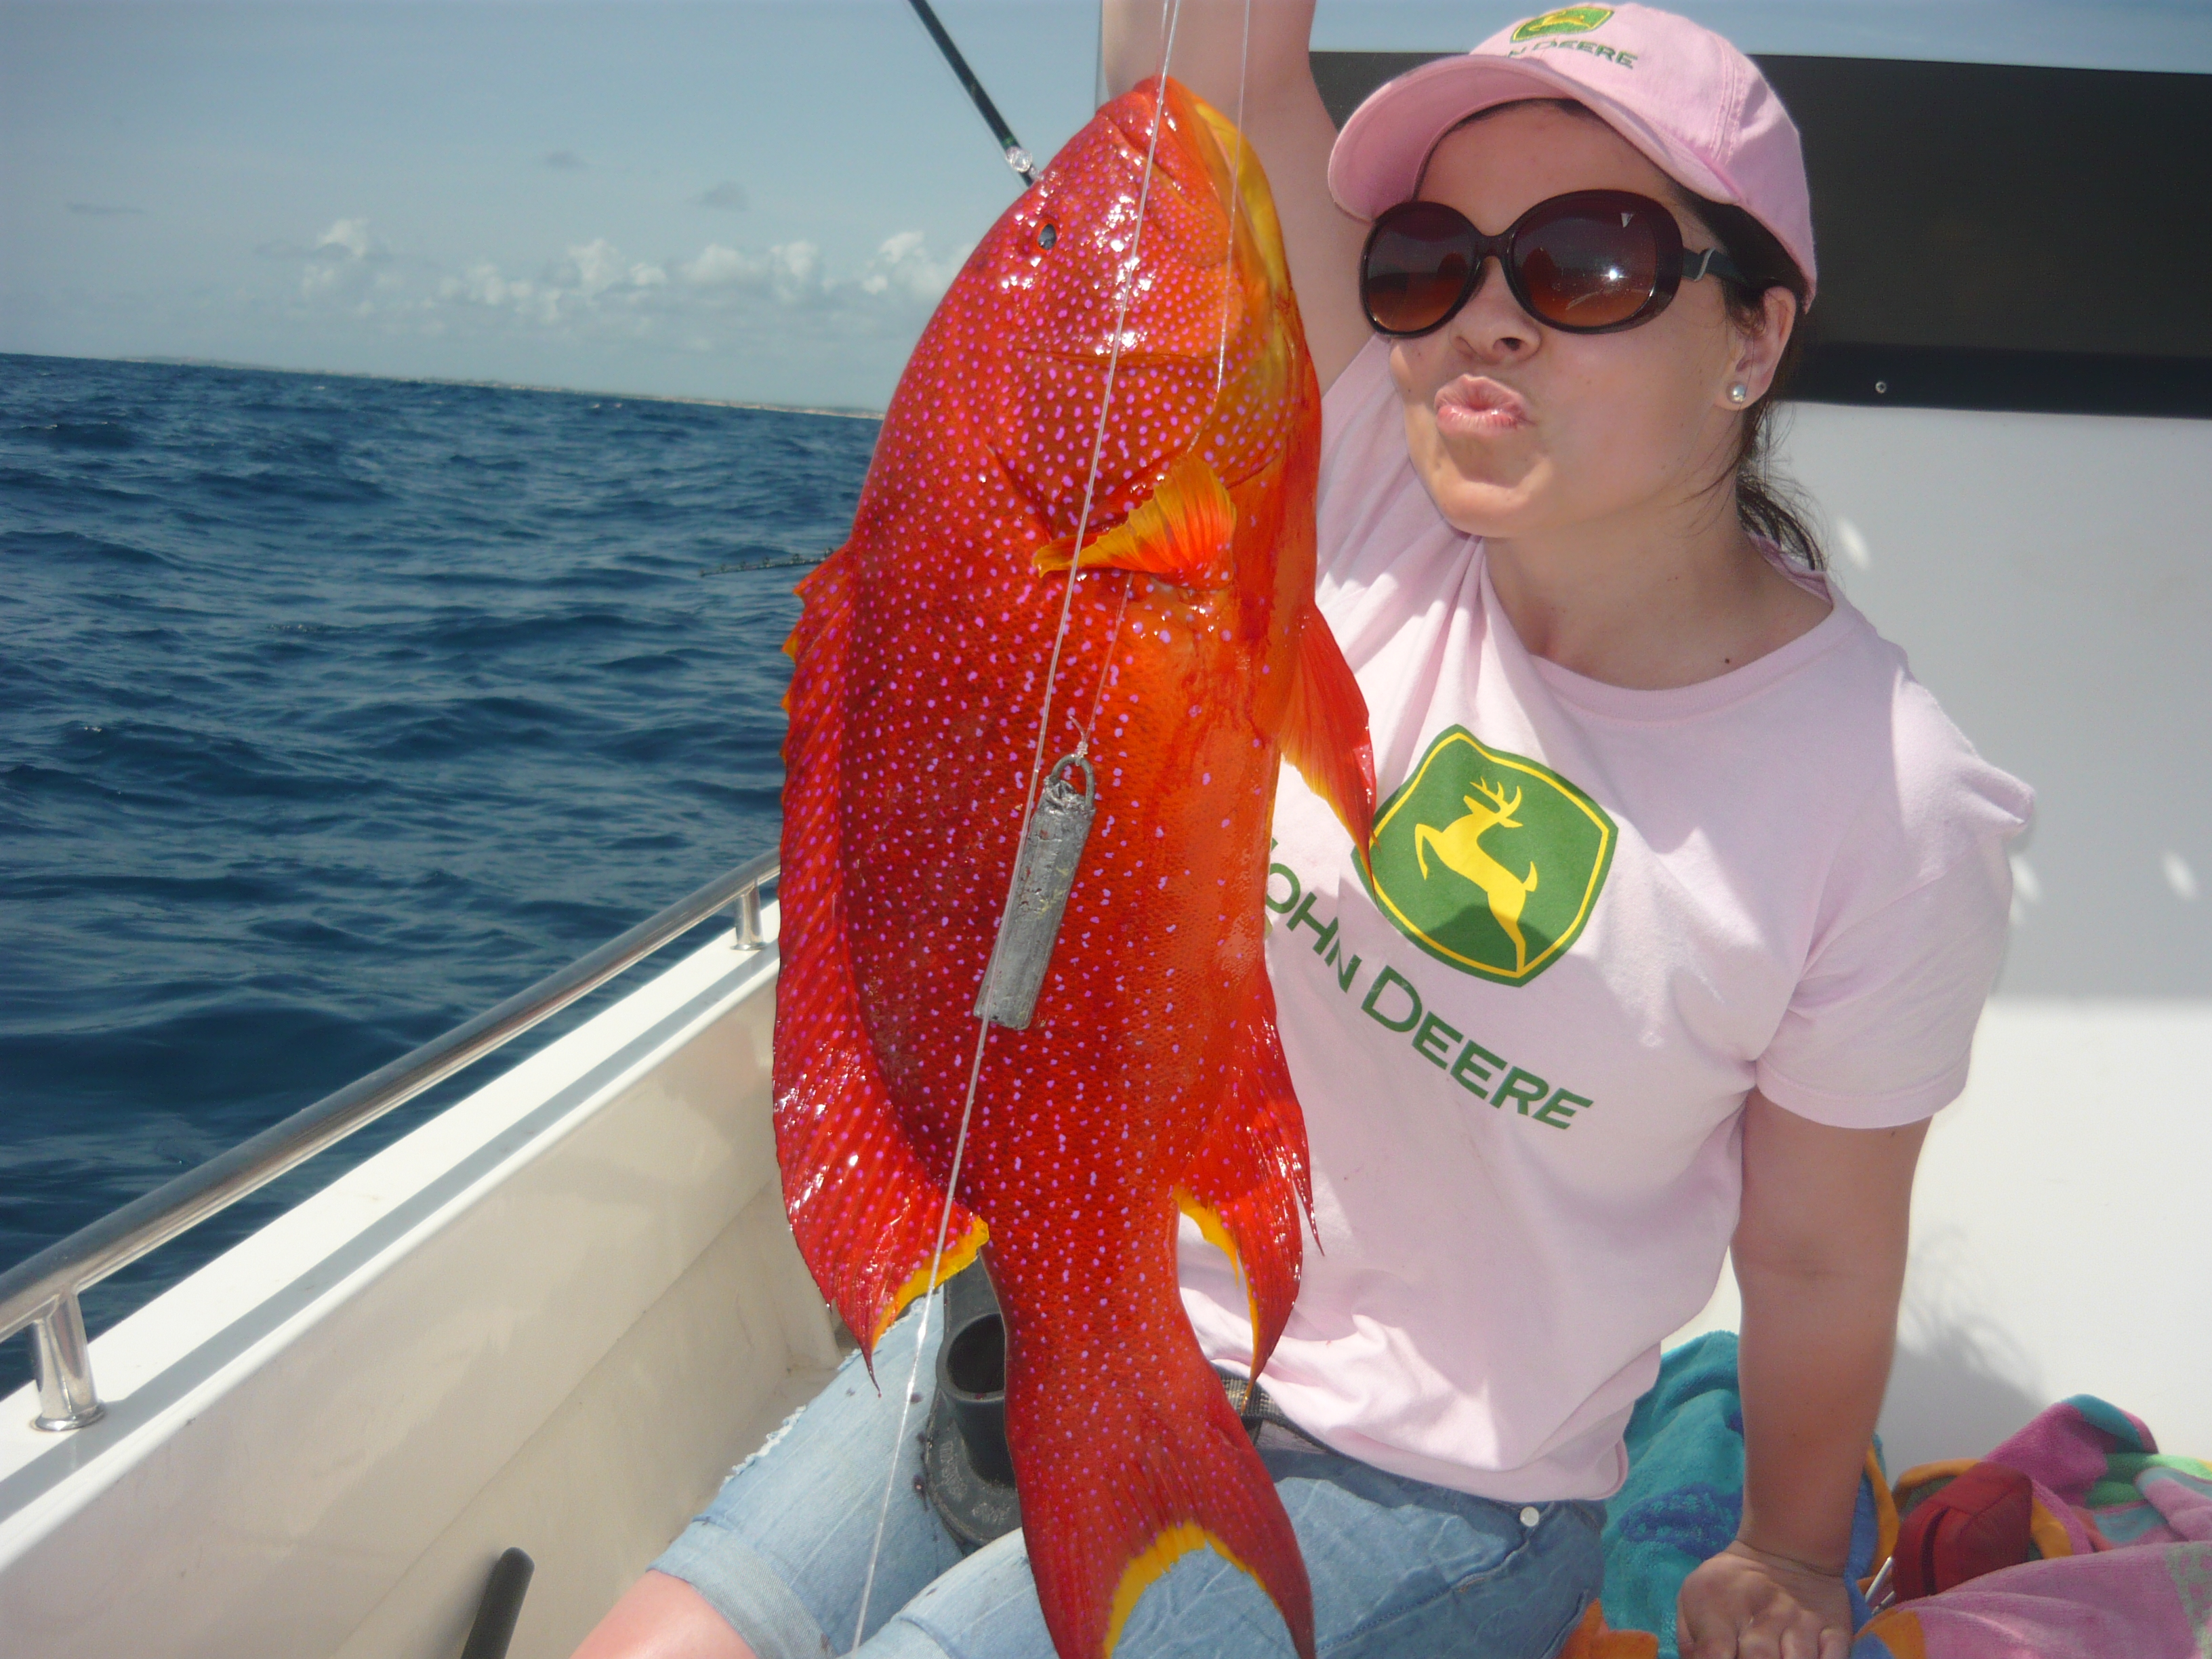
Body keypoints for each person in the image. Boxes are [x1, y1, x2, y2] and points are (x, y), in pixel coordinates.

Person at [574, 5, 2030, 1656]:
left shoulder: (1887, 796)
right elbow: (1206, 68)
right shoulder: (1337, 468)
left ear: (1754, 337)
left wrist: (1786, 1544)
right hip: (1085, 1307)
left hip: (1442, 1483)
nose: (1488, 319)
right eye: (1424, 260)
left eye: (1593, 261)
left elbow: (1824, 1253)